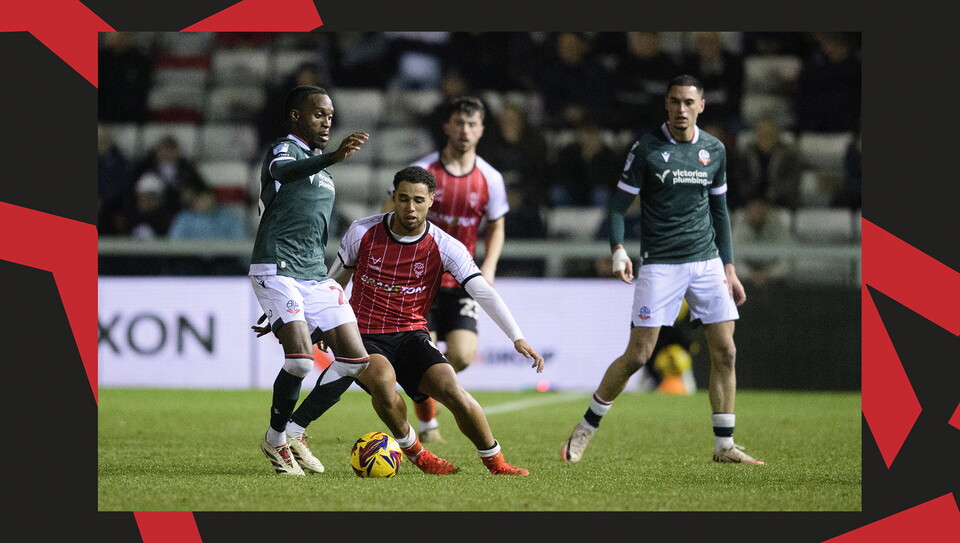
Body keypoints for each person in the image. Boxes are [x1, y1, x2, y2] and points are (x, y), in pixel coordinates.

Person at [255, 166, 544, 475]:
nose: (410, 207)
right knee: (382, 380)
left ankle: (496, 463)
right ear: (392, 197)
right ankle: (418, 454)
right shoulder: (362, 232)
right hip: (363, 333)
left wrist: (517, 337)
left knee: (452, 390)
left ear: (432, 200)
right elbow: (335, 279)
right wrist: (316, 316)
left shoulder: (445, 245)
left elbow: (483, 292)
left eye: (418, 200)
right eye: (403, 198)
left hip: (411, 334)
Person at [561, 74, 764, 466]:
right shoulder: (647, 150)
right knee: (639, 355)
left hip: (706, 263)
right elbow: (618, 209)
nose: (681, 109)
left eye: (689, 102)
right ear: (666, 105)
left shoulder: (715, 150)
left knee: (726, 350)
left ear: (701, 106)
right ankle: (585, 428)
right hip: (662, 264)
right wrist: (618, 249)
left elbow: (719, 212)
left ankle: (724, 446)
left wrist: (730, 267)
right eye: (674, 102)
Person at [249, 84, 383, 476]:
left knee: (356, 362)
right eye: (318, 114)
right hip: (276, 267)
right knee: (301, 362)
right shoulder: (284, 149)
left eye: (330, 115)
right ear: (296, 116)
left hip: (313, 276)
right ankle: (274, 442)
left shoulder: (321, 167)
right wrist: (334, 157)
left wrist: (302, 311)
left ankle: (293, 429)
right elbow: (280, 172)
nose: (327, 122)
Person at [384, 96, 510, 443]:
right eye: (459, 123)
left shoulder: (490, 178)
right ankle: (428, 425)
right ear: (447, 127)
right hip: (420, 280)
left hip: (462, 280)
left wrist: (489, 266)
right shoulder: (425, 173)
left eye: (472, 124)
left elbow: (496, 226)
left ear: (481, 130)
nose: (465, 130)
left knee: (462, 356)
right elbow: (389, 214)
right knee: (422, 353)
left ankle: (425, 395)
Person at [167, 185, 249, 275]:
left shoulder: (228, 217)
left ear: (214, 199)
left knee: (231, 269)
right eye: (200, 199)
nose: (204, 202)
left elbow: (240, 241)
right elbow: (174, 244)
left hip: (222, 260)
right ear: (194, 201)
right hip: (192, 260)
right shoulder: (184, 218)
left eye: (206, 198)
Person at [731, 118, 802, 211]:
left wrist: (774, 194)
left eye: (769, 135)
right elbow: (740, 181)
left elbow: (792, 182)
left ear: (777, 136)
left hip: (780, 203)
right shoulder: (746, 155)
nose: (766, 138)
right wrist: (752, 197)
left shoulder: (788, 156)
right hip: (750, 202)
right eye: (762, 134)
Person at [730, 197, 794, 287]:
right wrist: (750, 275)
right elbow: (732, 260)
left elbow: (788, 260)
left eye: (761, 207)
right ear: (748, 209)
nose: (757, 211)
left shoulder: (778, 225)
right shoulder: (740, 225)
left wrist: (768, 275)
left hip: (775, 282)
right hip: (744, 281)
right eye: (754, 207)